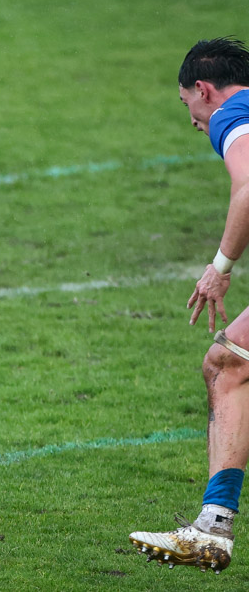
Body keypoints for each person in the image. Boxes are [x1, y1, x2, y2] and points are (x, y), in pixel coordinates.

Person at [129, 37, 249, 574]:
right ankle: (213, 529)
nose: (194, 121)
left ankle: (214, 529)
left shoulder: (231, 115)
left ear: (203, 91)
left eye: (187, 107)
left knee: (227, 368)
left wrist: (219, 269)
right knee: (228, 364)